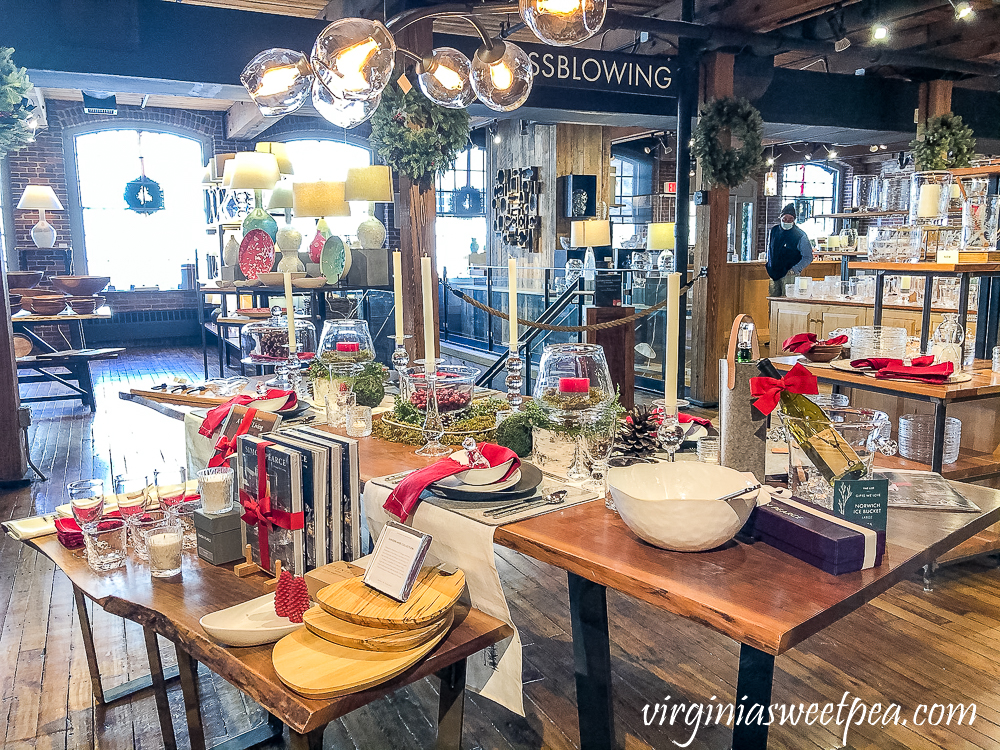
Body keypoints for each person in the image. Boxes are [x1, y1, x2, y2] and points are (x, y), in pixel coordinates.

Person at [766, 203, 814, 297]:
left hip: (790, 275)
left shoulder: (800, 235)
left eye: (790, 219)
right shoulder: (774, 231)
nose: (787, 221)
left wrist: (794, 270)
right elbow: (770, 249)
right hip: (774, 273)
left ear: (794, 220)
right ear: (780, 218)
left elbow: (808, 257)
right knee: (772, 302)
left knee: (788, 301)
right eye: (785, 219)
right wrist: (769, 264)